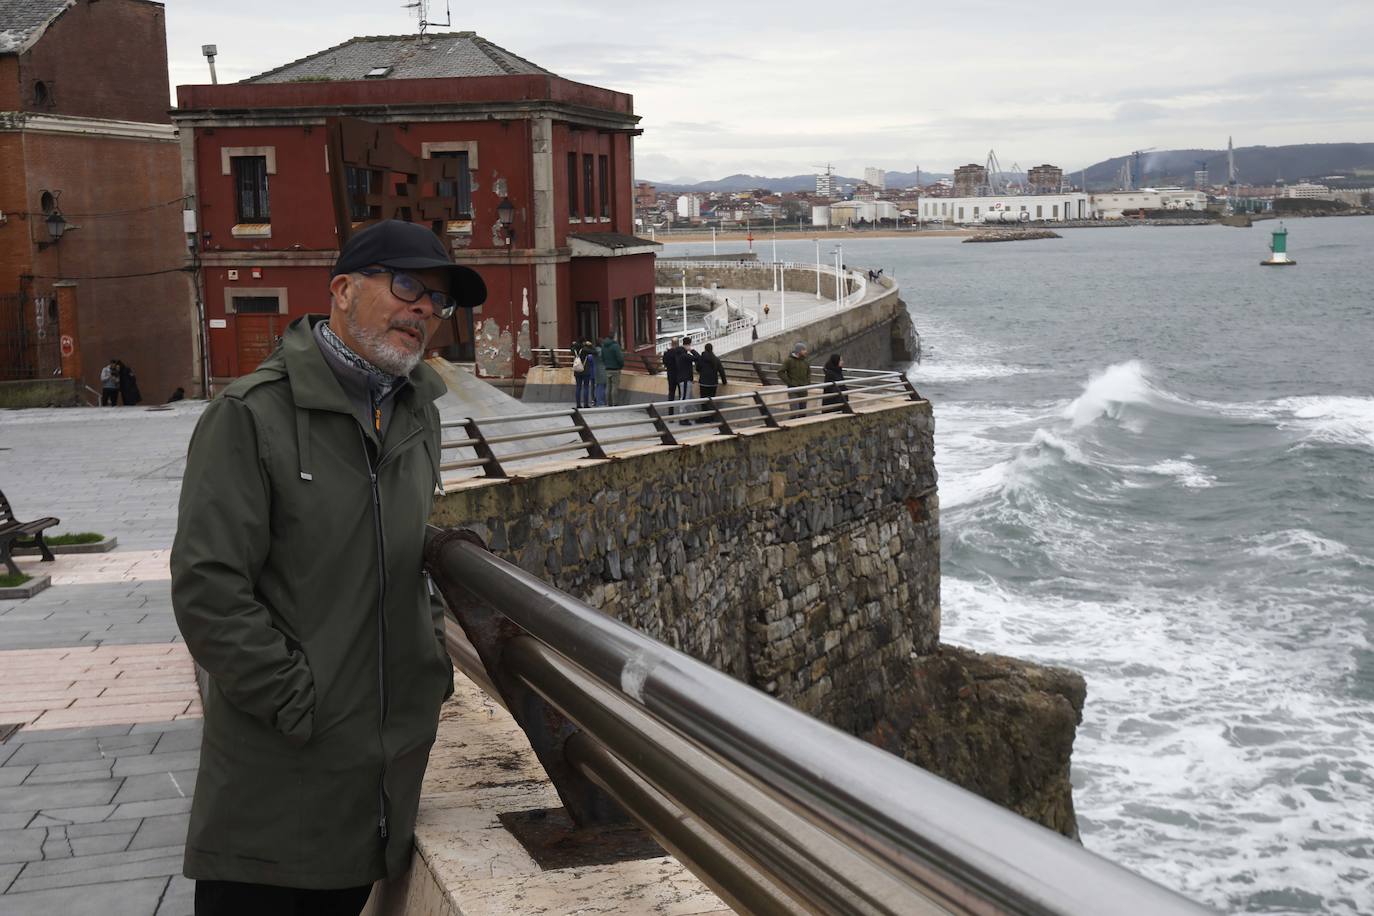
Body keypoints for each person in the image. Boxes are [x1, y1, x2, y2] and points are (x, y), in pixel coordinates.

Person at [170, 219, 486, 916]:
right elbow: (208, 589)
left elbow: (412, 557)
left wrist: (428, 665)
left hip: (381, 791)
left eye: (439, 299)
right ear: (342, 290)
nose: (425, 310)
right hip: (277, 798)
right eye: (408, 285)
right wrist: (300, 705)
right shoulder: (251, 414)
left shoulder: (414, 415)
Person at [778, 341, 810, 418]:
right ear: (799, 351)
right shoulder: (789, 361)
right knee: (794, 412)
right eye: (804, 350)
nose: (806, 351)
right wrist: (790, 382)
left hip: (803, 389)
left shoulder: (805, 362)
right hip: (793, 389)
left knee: (803, 413)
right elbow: (780, 372)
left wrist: (807, 383)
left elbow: (808, 373)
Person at [598, 333, 624, 407]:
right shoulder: (615, 346)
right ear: (613, 337)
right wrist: (621, 366)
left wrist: (606, 364)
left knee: (608, 386)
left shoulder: (603, 346)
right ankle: (614, 403)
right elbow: (620, 358)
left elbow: (602, 357)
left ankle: (608, 403)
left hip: (607, 369)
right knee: (614, 387)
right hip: (615, 369)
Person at [673, 336, 699, 409]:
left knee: (688, 398)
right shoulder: (684, 355)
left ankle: (688, 416)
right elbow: (698, 358)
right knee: (684, 398)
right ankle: (682, 418)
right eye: (690, 345)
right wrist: (692, 350)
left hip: (683, 378)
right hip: (685, 379)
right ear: (688, 345)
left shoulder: (678, 353)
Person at [572, 339, 596, 408]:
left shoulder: (574, 350)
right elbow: (594, 352)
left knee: (578, 387)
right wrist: (590, 345)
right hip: (585, 371)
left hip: (577, 371)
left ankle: (578, 404)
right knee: (586, 387)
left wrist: (573, 344)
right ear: (583, 342)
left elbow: (571, 348)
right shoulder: (585, 350)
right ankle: (586, 404)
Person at [662, 336, 682, 404]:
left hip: (671, 375)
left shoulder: (667, 353)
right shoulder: (681, 353)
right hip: (680, 375)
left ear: (671, 343)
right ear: (678, 343)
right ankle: (681, 411)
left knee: (671, 393)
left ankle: (670, 412)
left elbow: (664, 362)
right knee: (681, 394)